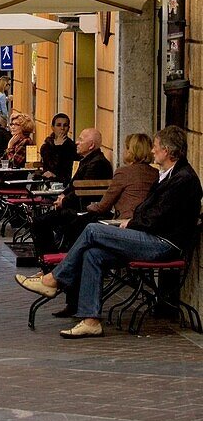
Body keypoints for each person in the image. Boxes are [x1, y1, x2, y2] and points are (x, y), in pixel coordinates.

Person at [16, 126, 203, 338]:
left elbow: (158, 217)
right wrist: (133, 221)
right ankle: (90, 320)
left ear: (168, 151)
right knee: (93, 254)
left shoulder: (182, 179)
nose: (152, 151)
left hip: (163, 244)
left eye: (156, 147)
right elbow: (146, 210)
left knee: (93, 230)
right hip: (152, 237)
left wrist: (131, 224)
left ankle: (53, 279)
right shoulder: (167, 175)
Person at [49, 133, 158, 319]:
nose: (125, 151)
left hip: (129, 231)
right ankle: (87, 314)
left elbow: (104, 205)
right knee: (91, 253)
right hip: (143, 231)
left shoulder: (124, 172)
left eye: (127, 148)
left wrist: (91, 207)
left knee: (85, 230)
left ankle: (57, 280)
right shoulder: (155, 174)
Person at [29, 128, 114, 258]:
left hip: (84, 211)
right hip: (76, 207)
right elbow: (73, 186)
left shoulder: (97, 163)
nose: (77, 143)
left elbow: (84, 191)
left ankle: (50, 263)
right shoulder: (87, 160)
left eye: (81, 139)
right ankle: (51, 261)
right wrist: (62, 196)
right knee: (40, 221)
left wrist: (64, 201)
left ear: (91, 145)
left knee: (40, 223)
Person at [39, 113, 76, 182]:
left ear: (68, 128)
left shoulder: (72, 147)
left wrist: (59, 147)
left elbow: (62, 169)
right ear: (53, 128)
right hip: (47, 181)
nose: (62, 128)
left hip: (63, 182)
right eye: (58, 125)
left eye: (65, 125)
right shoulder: (46, 145)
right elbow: (48, 165)